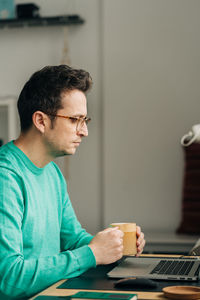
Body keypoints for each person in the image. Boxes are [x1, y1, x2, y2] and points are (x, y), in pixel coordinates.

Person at [0, 65, 145, 299]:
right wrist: (92, 253)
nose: (84, 131)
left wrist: (112, 247)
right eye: (75, 120)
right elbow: (8, 278)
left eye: (85, 120)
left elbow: (73, 240)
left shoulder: (52, 174)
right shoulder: (5, 177)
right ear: (41, 120)